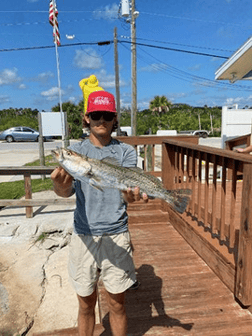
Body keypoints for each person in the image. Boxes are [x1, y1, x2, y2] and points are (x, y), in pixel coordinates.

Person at [51, 90, 148, 336]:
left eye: (106, 115)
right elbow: (65, 192)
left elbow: (126, 194)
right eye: (96, 115)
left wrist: (132, 196)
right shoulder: (75, 151)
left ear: (115, 119)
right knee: (85, 303)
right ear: (87, 118)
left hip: (116, 233)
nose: (101, 120)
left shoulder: (125, 152)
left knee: (117, 303)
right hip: (84, 235)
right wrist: (60, 185)